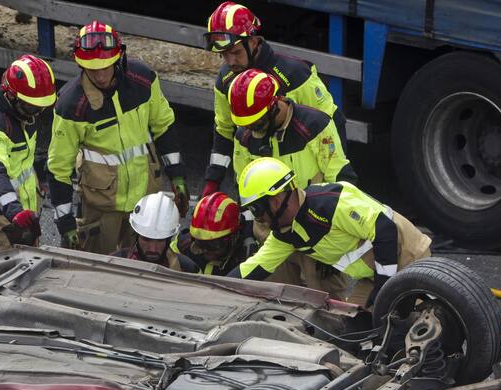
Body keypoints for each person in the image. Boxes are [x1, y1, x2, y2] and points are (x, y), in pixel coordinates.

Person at [48, 20, 189, 255]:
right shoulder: (71, 105)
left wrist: (178, 176)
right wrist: (65, 223)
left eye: (105, 66)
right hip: (101, 207)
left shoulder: (144, 81)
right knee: (94, 270)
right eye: (92, 69)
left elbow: (163, 126)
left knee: (145, 267)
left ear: (118, 58)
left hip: (144, 200)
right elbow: (58, 168)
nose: (100, 75)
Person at [227, 158, 432, 307]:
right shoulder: (286, 235)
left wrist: (383, 290)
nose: (257, 219)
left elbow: (385, 230)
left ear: (275, 201)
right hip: (374, 277)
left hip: (409, 260)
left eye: (256, 210)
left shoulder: (331, 203)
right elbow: (253, 268)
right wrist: (208, 288)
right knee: (349, 330)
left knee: (412, 325)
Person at [201, 1, 347, 197]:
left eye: (236, 53)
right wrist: (213, 180)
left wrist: (339, 186)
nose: (230, 62)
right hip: (260, 184)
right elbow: (224, 130)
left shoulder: (296, 75)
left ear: (254, 41)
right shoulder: (226, 80)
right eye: (223, 55)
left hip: (303, 185)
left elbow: (333, 123)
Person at [0, 54, 56, 251]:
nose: (37, 113)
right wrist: (14, 210)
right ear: (11, 96)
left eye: (42, 107)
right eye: (33, 107)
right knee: (0, 270)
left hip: (22, 215)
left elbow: (21, 162)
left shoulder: (24, 113)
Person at [228, 68, 356, 190]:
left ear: (274, 106)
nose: (250, 129)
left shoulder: (315, 125)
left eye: (257, 122)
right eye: (245, 123)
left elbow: (341, 180)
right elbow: (243, 186)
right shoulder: (244, 136)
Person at [172, 192, 256, 276]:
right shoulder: (182, 245)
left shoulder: (248, 256)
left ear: (234, 237)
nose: (205, 250)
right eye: (200, 243)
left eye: (213, 244)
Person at [112, 192, 199, 273]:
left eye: (160, 241)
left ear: (169, 239)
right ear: (136, 236)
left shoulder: (188, 269)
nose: (152, 249)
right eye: (146, 239)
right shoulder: (114, 263)